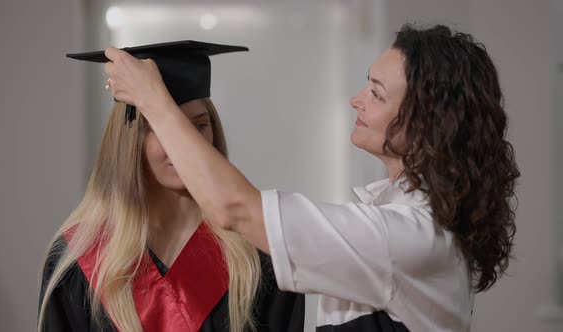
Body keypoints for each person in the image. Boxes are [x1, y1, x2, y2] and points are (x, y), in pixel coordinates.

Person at [103, 25, 520, 331]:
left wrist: (153, 100)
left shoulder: (409, 236)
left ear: (429, 124)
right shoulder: (398, 215)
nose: (356, 100)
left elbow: (234, 208)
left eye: (376, 93)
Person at [38, 41, 305, 332]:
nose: (182, 145)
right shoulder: (81, 257)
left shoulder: (259, 253)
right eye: (159, 127)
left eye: (199, 126)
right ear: (130, 140)